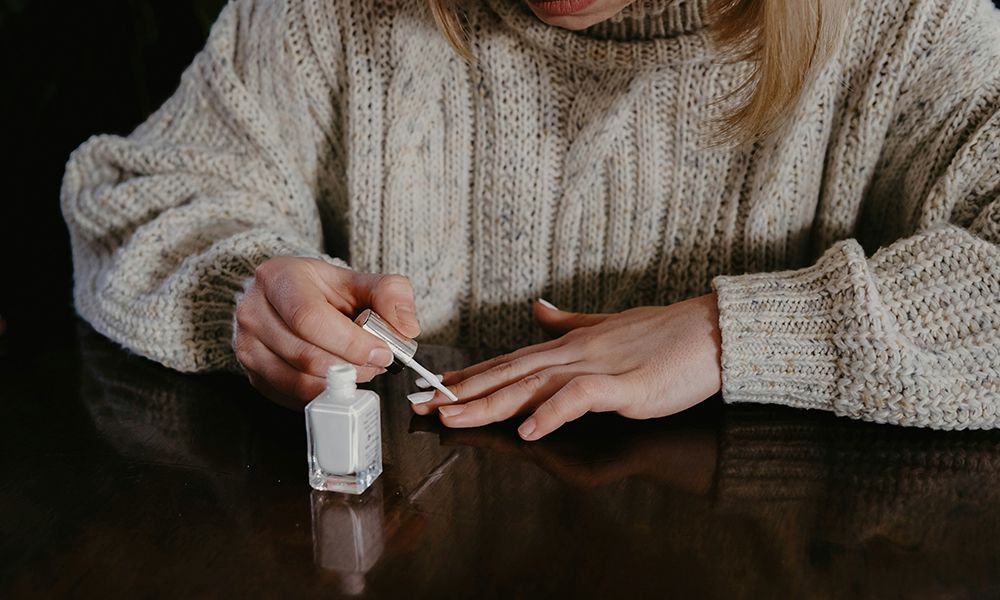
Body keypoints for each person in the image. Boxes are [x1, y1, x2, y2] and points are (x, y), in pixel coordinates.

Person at [61, 0, 1000, 440]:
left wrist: (732, 332)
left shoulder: (904, 22)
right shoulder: (329, 13)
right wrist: (245, 286)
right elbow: (136, 194)